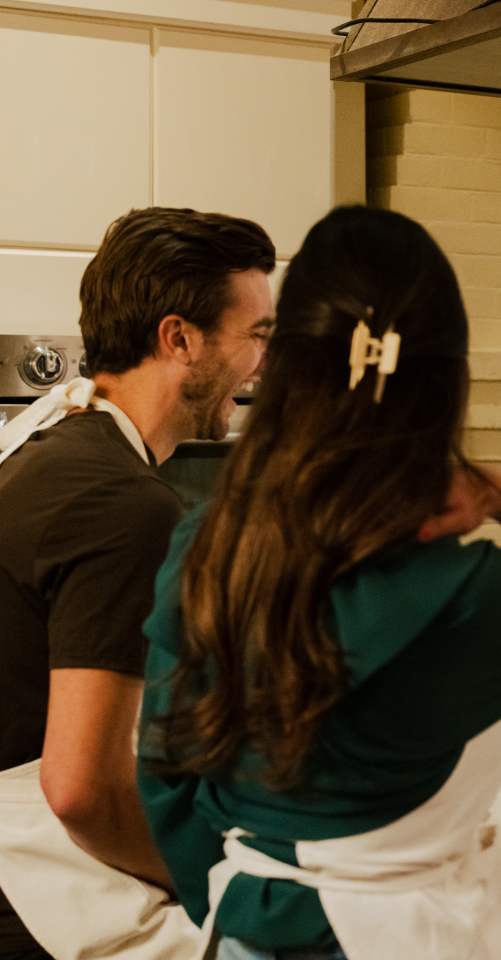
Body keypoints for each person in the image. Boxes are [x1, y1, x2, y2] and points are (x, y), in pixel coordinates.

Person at [136, 206, 501, 960]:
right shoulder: (473, 593)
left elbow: (164, 782)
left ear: (283, 369)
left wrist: (246, 904)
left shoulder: (205, 546)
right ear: (444, 389)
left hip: (249, 924)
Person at [0, 207, 275, 960]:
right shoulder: (121, 504)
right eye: (257, 336)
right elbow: (82, 791)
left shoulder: (60, 451)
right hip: (27, 900)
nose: (262, 364)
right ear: (179, 337)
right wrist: (221, 878)